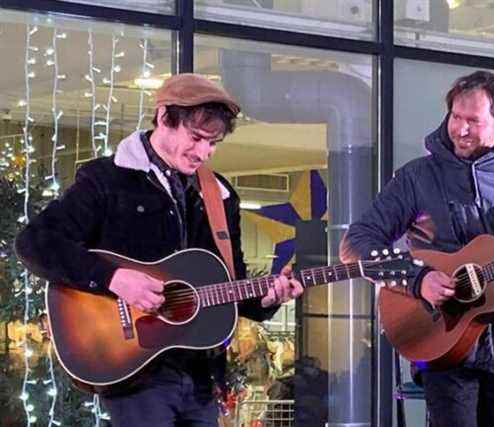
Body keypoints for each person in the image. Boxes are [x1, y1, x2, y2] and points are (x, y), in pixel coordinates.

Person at [15, 73, 303, 426]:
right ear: (165, 117)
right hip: (138, 372)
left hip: (201, 375)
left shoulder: (219, 195)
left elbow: (231, 285)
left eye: (213, 143)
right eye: (196, 138)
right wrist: (114, 278)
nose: (204, 152)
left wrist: (270, 298)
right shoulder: (108, 180)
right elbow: (35, 242)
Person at [339, 70, 494, 427]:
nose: (460, 129)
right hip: (442, 342)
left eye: (473, 121)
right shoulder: (417, 178)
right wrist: (418, 279)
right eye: (455, 117)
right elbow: (356, 244)